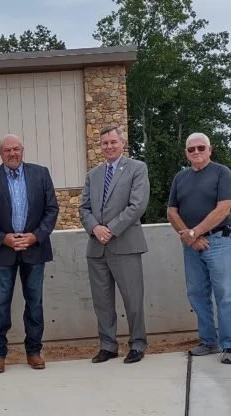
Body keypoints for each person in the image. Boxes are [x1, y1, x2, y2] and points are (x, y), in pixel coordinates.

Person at [0, 134, 60, 374]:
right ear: (0, 153)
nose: (12, 153)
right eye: (7, 150)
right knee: (0, 304)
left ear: (23, 150)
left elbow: (52, 209)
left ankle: (34, 351)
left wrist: (35, 236)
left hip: (35, 248)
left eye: (16, 149)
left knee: (35, 303)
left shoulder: (41, 174)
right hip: (2, 250)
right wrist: (3, 238)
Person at [79, 126, 150, 364]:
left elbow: (137, 205)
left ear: (122, 142)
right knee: (102, 301)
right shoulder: (93, 175)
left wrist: (110, 229)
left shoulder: (137, 168)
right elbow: (84, 208)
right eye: (105, 143)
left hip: (125, 244)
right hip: (96, 247)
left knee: (133, 299)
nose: (109, 146)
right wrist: (95, 228)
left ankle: (137, 344)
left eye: (113, 142)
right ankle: (108, 345)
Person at [167, 132, 231, 364]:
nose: (196, 152)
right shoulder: (180, 178)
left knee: (225, 294)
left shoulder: (221, 172)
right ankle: (209, 341)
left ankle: (229, 346)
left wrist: (195, 232)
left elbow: (224, 208)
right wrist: (191, 238)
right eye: (191, 149)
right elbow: (171, 211)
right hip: (192, 246)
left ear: (210, 150)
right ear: (186, 153)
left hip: (217, 241)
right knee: (197, 294)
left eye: (201, 148)